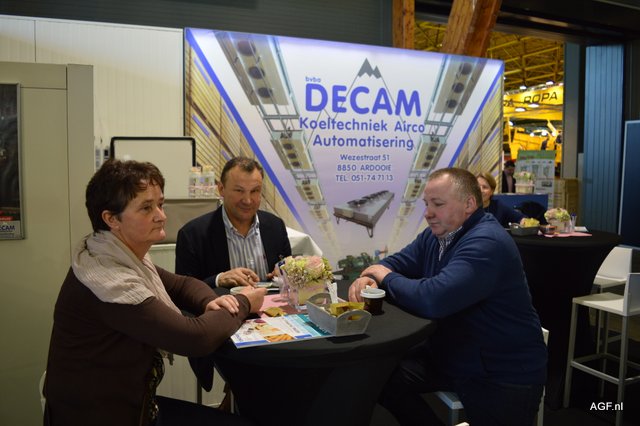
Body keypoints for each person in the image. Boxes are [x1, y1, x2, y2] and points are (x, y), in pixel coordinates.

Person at [43, 159, 265, 426]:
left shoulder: (115, 253)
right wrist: (243, 302)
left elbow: (181, 284)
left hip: (134, 406)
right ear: (111, 219)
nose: (161, 216)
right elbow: (194, 338)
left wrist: (213, 302)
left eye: (160, 204)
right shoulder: (109, 280)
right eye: (147, 208)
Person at [349, 167, 547, 426]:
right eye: (427, 204)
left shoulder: (487, 242)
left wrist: (383, 276)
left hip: (501, 373)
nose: (428, 213)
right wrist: (372, 277)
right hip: (454, 355)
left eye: (438, 204)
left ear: (469, 204)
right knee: (377, 378)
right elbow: (397, 263)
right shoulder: (437, 234)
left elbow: (433, 299)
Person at [176, 156, 291, 289]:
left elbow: (288, 278)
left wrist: (288, 273)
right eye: (239, 191)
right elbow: (183, 291)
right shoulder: (192, 235)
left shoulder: (276, 227)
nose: (247, 200)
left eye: (254, 191)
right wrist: (218, 280)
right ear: (221, 189)